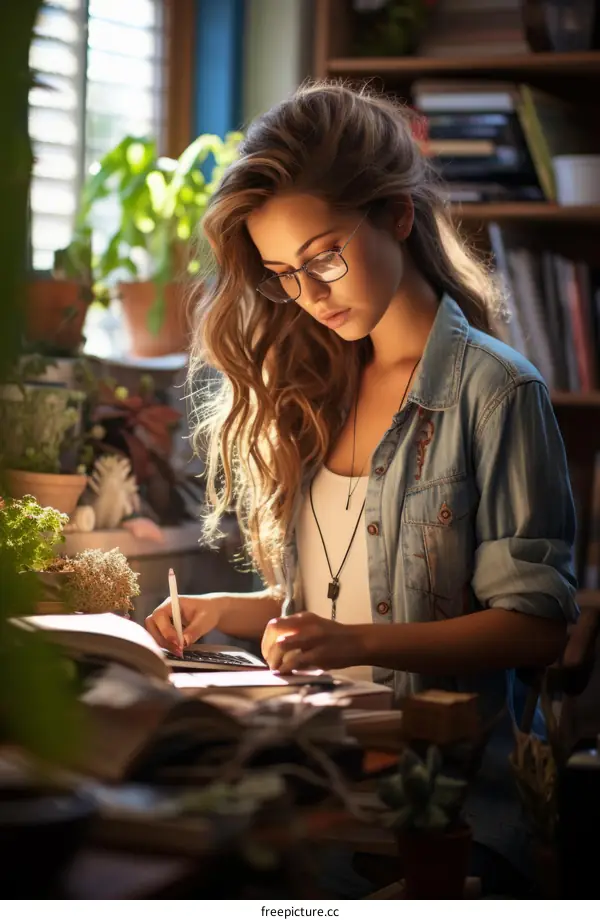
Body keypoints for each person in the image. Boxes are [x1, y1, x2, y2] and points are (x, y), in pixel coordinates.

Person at [145, 82, 578, 896]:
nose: (308, 296)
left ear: (398, 216)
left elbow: (535, 630)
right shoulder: (314, 385)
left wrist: (359, 646)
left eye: (325, 258)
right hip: (324, 777)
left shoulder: (496, 393)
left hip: (443, 804)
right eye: (282, 274)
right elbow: (353, 590)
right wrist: (232, 615)